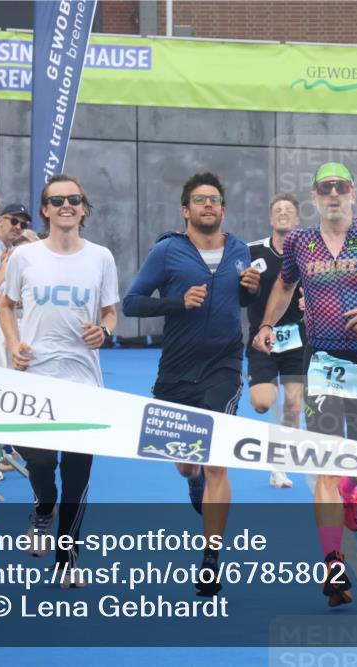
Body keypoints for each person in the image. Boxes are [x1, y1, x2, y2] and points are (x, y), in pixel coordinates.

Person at [253, 162, 357, 607]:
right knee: (326, 465)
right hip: (322, 363)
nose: (333, 194)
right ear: (314, 197)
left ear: (352, 194)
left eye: (340, 187)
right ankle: (333, 563)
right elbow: (284, 287)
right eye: (325, 188)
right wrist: (267, 324)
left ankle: (352, 487)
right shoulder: (300, 242)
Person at [123, 171, 259, 596]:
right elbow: (132, 303)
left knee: (217, 460)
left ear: (223, 209)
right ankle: (192, 480)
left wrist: (251, 290)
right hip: (178, 369)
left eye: (214, 199)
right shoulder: (167, 251)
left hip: (224, 365)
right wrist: (177, 303)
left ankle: (211, 559)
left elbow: (242, 301)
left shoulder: (239, 250)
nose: (208, 205)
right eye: (200, 199)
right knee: (187, 463)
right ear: (186, 210)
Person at [0, 174, 118, 588]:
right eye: (57, 200)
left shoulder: (101, 257)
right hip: (36, 379)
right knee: (42, 463)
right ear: (45, 209)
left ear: (84, 209)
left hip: (84, 382)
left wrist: (104, 331)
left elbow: (110, 312)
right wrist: (13, 343)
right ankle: (42, 507)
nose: (66, 205)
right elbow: (7, 305)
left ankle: (68, 558)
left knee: (77, 476)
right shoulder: (24, 257)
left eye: (74, 199)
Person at [246, 192, 305, 489]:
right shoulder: (251, 251)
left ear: (297, 218)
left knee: (293, 406)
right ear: (271, 217)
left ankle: (279, 466)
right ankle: (275, 429)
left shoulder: (310, 254)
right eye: (278, 209)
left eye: (288, 210)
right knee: (262, 402)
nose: (283, 213)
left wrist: (312, 303)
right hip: (262, 339)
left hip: (298, 339)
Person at [0, 203, 30, 293]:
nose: (18, 227)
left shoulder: (16, 252)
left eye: (23, 225)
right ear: (0, 221)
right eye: (14, 221)